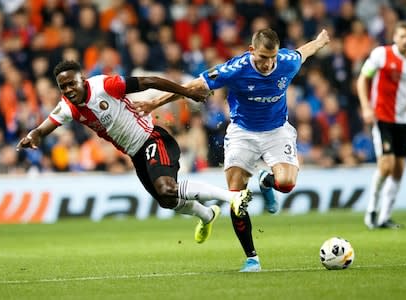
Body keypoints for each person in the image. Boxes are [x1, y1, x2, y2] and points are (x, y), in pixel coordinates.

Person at [133, 28, 330, 272]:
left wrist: (319, 42)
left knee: (287, 184)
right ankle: (252, 258)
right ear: (251, 51)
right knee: (236, 196)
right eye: (262, 57)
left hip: (277, 131)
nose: (268, 64)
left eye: (272, 57)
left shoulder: (286, 63)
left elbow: (304, 51)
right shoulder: (234, 69)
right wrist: (154, 102)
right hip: (242, 134)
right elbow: (193, 86)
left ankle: (266, 182)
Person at [16, 60, 252, 244]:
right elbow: (44, 127)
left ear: (83, 80)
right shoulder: (68, 107)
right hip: (136, 154)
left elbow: (149, 80)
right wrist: (32, 136)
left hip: (152, 138)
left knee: (167, 187)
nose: (68, 89)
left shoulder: (104, 86)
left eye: (71, 83)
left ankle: (232, 197)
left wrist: (187, 93)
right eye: (63, 86)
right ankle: (207, 215)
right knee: (167, 200)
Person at [356, 21, 406, 229]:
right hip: (382, 117)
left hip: (402, 120)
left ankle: (385, 217)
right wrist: (366, 107)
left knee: (398, 170)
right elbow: (363, 79)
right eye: (402, 36)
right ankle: (371, 211)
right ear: (395, 37)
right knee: (386, 165)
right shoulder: (381, 54)